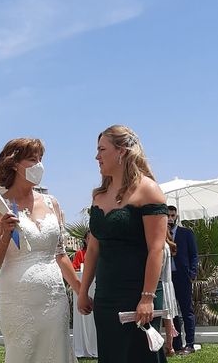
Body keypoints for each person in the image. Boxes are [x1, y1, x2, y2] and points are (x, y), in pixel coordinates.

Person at [0, 137, 80, 363]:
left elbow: (60, 253)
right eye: (32, 160)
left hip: (54, 297)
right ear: (15, 164)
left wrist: (79, 290)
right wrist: (5, 235)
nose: (39, 166)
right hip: (17, 299)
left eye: (40, 159)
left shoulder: (51, 203)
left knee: (57, 352)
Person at [78, 125, 168, 363]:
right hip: (106, 295)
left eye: (101, 149)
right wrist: (83, 291)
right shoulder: (99, 195)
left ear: (121, 152)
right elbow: (93, 249)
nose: (96, 156)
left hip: (137, 294)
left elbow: (156, 249)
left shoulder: (148, 190)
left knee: (140, 357)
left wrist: (147, 297)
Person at [168, 205, 198, 355]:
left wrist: (192, 274)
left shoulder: (186, 233)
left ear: (176, 216)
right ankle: (177, 344)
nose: (170, 218)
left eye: (173, 215)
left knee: (187, 311)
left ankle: (190, 344)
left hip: (183, 277)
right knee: (172, 312)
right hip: (167, 278)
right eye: (168, 215)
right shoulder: (160, 235)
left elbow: (194, 255)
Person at [160, 229, 180, 357]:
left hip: (161, 283)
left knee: (165, 316)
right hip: (168, 283)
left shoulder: (161, 247)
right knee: (168, 317)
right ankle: (170, 345)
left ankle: (169, 346)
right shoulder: (167, 246)